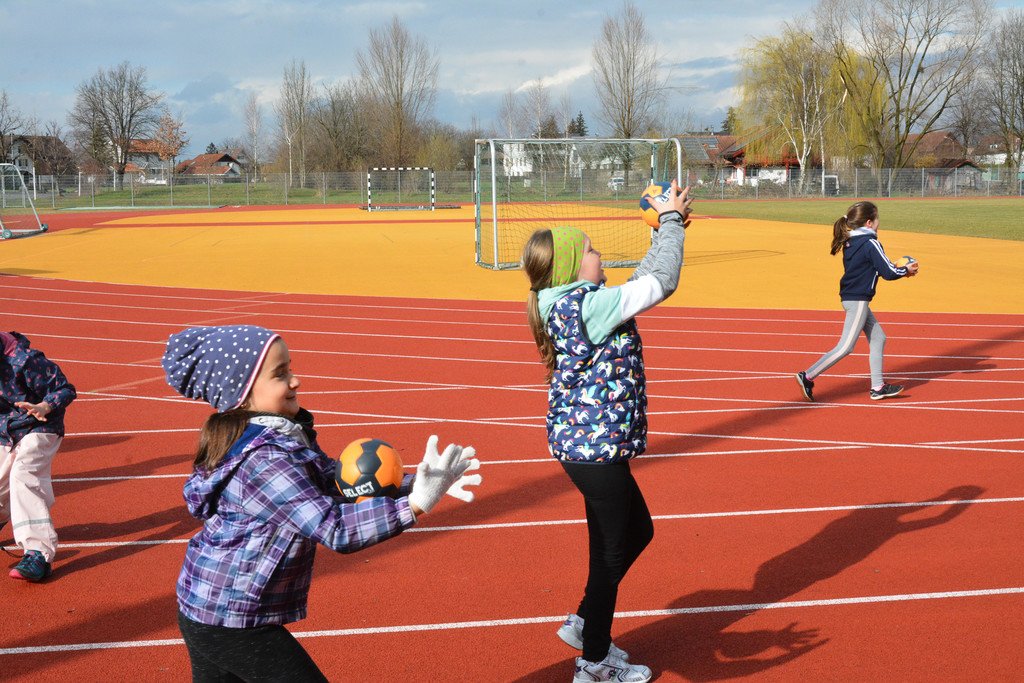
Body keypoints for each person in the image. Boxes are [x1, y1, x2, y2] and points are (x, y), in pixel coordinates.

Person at [161, 324, 481, 682]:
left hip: (212, 605)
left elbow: (333, 480)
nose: (295, 381)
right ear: (243, 392)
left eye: (290, 368)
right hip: (229, 616)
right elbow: (335, 528)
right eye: (280, 374)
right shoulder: (263, 460)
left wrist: (415, 485)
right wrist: (416, 504)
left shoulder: (277, 437)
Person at [522, 181, 693, 683]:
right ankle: (593, 663)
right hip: (592, 451)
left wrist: (664, 232)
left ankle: (585, 624)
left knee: (630, 536)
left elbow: (640, 283)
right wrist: (671, 222)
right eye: (592, 250)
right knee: (614, 550)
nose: (600, 255)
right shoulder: (585, 306)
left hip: (589, 447)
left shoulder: (572, 300)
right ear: (574, 266)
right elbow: (661, 283)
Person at [796, 200, 919, 402]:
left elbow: (871, 268)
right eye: (877, 219)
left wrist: (895, 267)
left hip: (851, 297)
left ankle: (878, 387)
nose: (879, 223)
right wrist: (905, 270)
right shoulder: (871, 243)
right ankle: (807, 376)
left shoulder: (851, 242)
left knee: (878, 337)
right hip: (858, 299)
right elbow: (888, 273)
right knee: (846, 347)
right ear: (869, 222)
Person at [0, 331, 76, 582]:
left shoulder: (25, 361)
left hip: (41, 425)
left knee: (24, 475)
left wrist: (44, 405)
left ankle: (38, 553)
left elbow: (65, 388)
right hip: (6, 430)